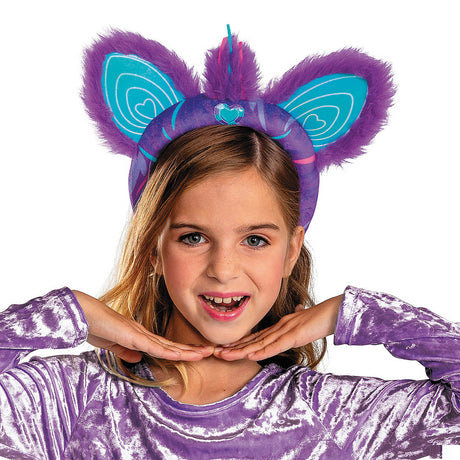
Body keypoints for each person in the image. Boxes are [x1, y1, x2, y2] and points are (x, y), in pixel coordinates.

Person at [1, 28, 459, 459]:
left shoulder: (338, 415)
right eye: (193, 237)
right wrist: (68, 313)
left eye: (255, 240)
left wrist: (355, 314)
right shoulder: (72, 400)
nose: (223, 269)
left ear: (291, 251)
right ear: (152, 249)